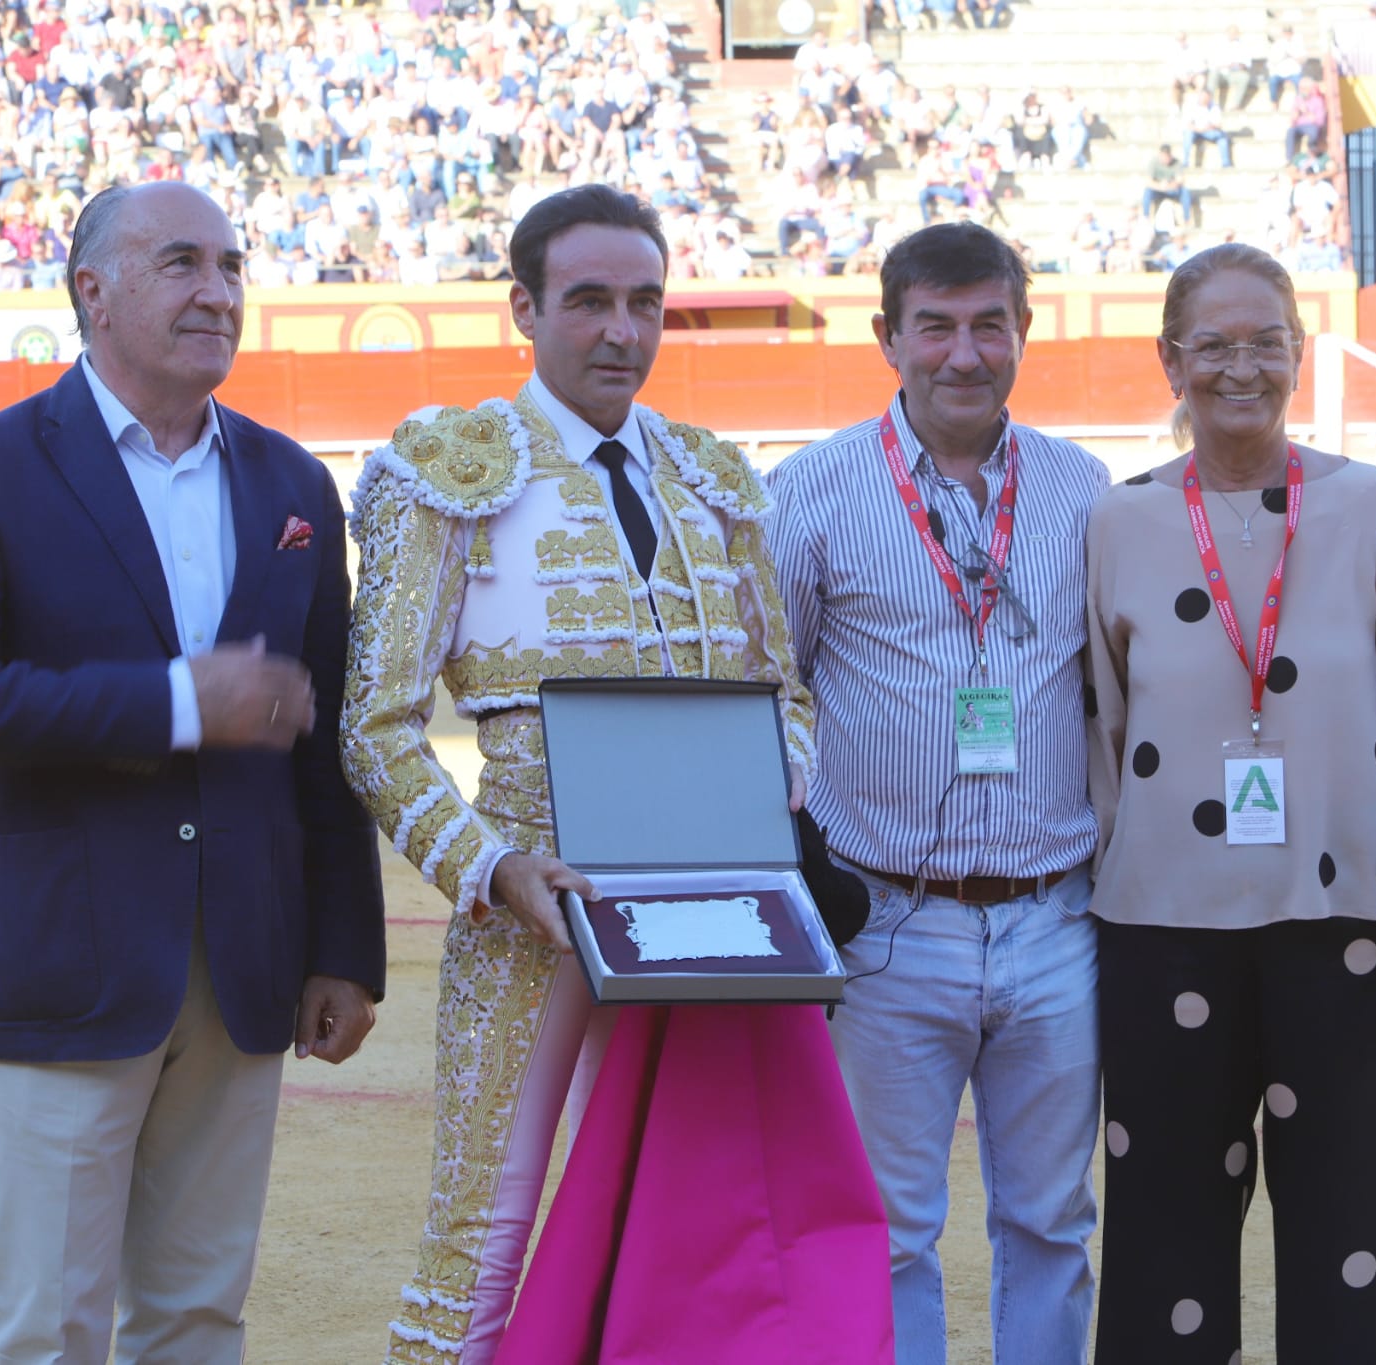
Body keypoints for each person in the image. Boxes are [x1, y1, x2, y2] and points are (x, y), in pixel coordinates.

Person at [342, 184, 891, 1365]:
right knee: (477, 1243)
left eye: (643, 303)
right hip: (529, 912)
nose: (620, 332)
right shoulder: (450, 473)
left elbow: (784, 696)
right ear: (524, 310)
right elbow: (375, 728)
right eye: (588, 301)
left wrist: (761, 793)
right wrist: (492, 870)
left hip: (711, 914)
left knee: (677, 1234)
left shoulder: (712, 480)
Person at [0, 181, 386, 1363]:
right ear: (92, 292)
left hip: (246, 960)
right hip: (66, 952)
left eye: (230, 265)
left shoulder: (292, 485)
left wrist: (343, 949)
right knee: (46, 1326)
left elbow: (324, 741)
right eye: (181, 264)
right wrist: (175, 702)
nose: (217, 292)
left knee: (199, 1314)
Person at [1083, 243, 1376, 1363]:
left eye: (1265, 343)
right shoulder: (1120, 520)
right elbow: (1100, 727)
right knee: (1161, 1233)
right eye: (1213, 345)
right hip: (1159, 929)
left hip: (1345, 924)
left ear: (1297, 353)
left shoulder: (1368, 503)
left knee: (1345, 1232)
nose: (1238, 368)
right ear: (1169, 359)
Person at [766, 221, 1109, 1362]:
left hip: (1054, 916)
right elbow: (771, 694)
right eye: (936, 328)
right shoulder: (808, 493)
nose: (963, 354)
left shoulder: (1081, 488)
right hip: (886, 923)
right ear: (887, 338)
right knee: (891, 1225)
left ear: (1022, 332)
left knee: (1052, 1220)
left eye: (987, 326)